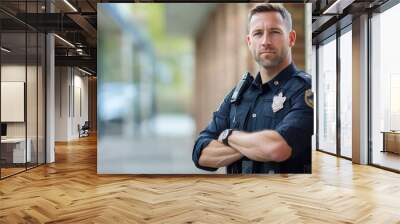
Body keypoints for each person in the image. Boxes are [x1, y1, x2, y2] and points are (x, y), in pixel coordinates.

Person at [192, 3, 313, 174]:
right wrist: (257, 146)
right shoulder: (238, 96)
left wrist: (228, 136)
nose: (265, 41)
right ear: (249, 41)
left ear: (291, 38)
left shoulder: (305, 90)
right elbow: (200, 153)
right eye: (258, 33)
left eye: (274, 32)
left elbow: (277, 148)